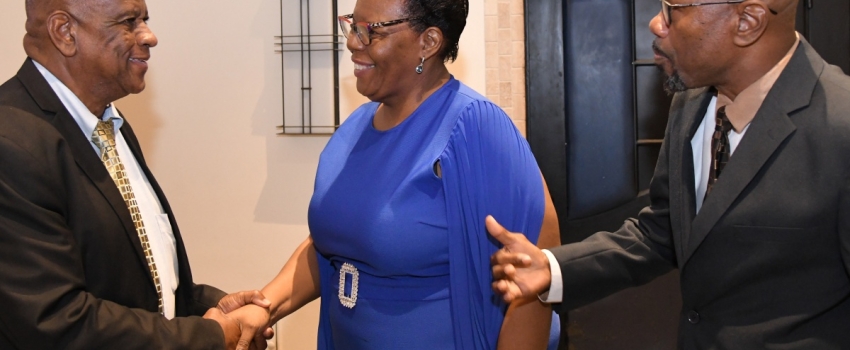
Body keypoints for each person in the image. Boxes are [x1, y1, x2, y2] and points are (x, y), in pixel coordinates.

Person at [488, 0, 850, 348]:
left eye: (672, 11)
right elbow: (662, 233)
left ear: (747, 21)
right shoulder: (690, 105)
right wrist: (554, 269)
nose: (656, 23)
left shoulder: (839, 127)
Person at [220, 0, 560, 348]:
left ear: (428, 42)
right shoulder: (355, 127)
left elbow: (533, 268)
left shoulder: (473, 127)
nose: (353, 42)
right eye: (353, 25)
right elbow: (330, 243)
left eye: (370, 31)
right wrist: (265, 306)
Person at [0, 0, 271, 348]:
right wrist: (212, 336)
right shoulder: (11, 144)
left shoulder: (109, 127)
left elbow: (136, 279)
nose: (150, 36)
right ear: (65, 32)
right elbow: (56, 322)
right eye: (129, 22)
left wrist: (210, 306)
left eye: (145, 19)